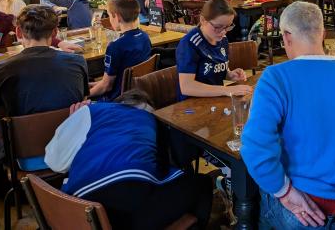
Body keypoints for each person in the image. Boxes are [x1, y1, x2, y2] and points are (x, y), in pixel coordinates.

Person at [241, 1, 335, 229]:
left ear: (286, 37)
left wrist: (286, 192)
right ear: (323, 34)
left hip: (304, 210)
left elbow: (254, 148)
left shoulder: (275, 77)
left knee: (256, 192)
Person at [45, 90, 212, 229]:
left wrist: (73, 123)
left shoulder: (92, 111)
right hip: (128, 210)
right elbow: (173, 164)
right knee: (202, 183)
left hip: (76, 211)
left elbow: (54, 163)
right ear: (149, 108)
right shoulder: (155, 121)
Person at [0, 5, 89, 163]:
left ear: (19, 32)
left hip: (24, 156)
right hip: (72, 150)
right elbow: (81, 109)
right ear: (54, 33)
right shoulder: (77, 62)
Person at [176, 0, 252, 98]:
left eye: (227, 26)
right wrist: (227, 90)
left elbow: (214, 69)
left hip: (214, 99)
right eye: (217, 27)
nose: (223, 32)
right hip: (191, 104)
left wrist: (229, 74)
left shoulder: (222, 39)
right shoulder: (190, 44)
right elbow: (187, 87)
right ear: (203, 20)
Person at [89, 0, 151, 101]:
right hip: (138, 93)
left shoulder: (115, 46)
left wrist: (83, 95)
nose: (109, 19)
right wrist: (94, 84)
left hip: (117, 100)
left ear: (117, 17)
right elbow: (118, 77)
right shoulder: (145, 37)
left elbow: (106, 86)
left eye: (109, 15)